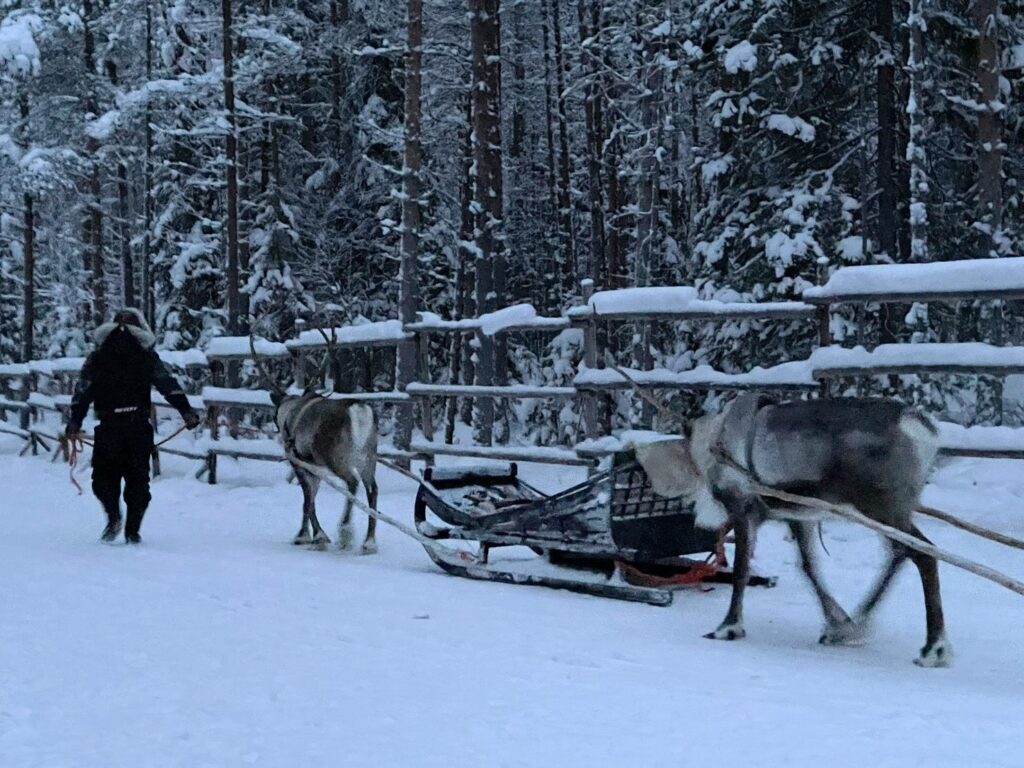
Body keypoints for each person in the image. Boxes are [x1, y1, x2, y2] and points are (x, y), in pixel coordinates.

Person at [67, 308, 202, 544]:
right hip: (137, 426)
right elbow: (166, 384)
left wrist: (75, 420)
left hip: (109, 426)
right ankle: (132, 530)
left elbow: (83, 390)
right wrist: (186, 411)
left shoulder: (98, 356)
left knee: (103, 479)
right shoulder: (146, 355)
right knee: (138, 481)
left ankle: (113, 517)